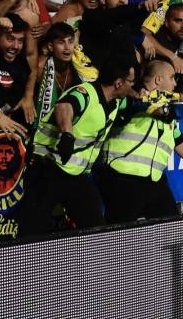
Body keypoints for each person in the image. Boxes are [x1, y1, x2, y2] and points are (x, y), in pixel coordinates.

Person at [18, 55, 137, 236]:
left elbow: (138, 100)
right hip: (48, 168)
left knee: (95, 228)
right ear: (118, 83)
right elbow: (64, 106)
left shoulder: (116, 102)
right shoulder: (85, 93)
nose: (132, 86)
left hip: (76, 175)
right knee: (32, 231)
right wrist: (67, 134)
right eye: (131, 82)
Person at [99, 59, 183, 223]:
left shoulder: (165, 108)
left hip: (154, 181)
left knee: (171, 227)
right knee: (118, 234)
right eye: (172, 78)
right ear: (158, 80)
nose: (175, 83)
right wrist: (182, 96)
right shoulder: (131, 96)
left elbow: (177, 138)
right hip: (123, 180)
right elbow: (138, 103)